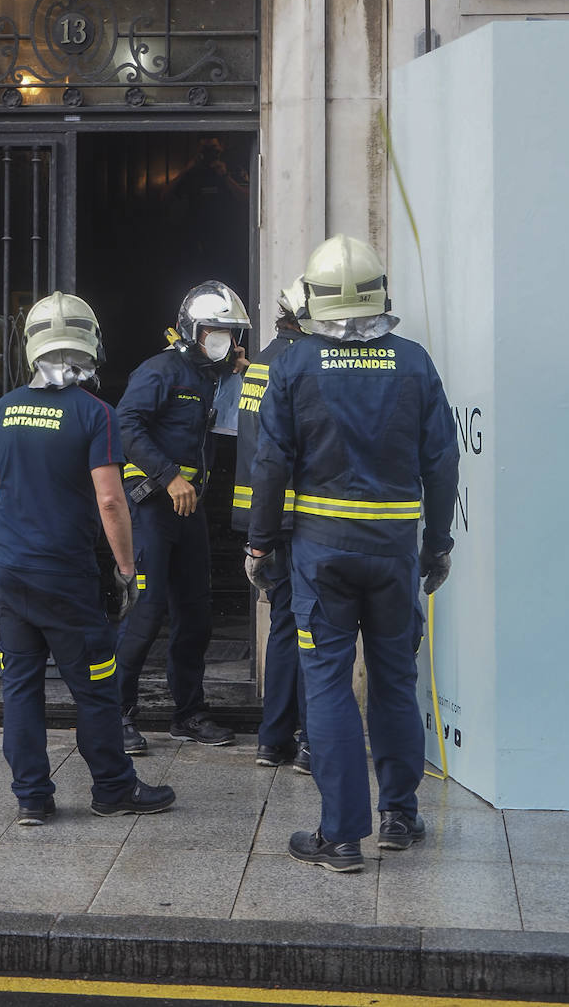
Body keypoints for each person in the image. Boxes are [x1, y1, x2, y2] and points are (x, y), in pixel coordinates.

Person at [248, 236, 458, 872]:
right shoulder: (414, 362)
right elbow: (443, 462)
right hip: (394, 550)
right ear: (380, 294)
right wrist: (438, 543)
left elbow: (270, 462)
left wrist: (259, 542)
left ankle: (340, 837)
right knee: (396, 680)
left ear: (311, 298)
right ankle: (400, 815)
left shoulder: (294, 363)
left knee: (330, 687)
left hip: (322, 552)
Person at [0, 291, 175, 823]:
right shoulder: (96, 414)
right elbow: (111, 501)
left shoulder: (5, 407)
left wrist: (26, 523)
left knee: (20, 688)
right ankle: (113, 789)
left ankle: (32, 798)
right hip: (66, 578)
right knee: (94, 687)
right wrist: (128, 569)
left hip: (11, 572)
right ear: (90, 346)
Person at [115, 280, 250, 755]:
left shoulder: (211, 376)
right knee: (146, 612)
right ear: (194, 329)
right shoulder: (159, 371)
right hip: (153, 503)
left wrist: (238, 372)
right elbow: (126, 426)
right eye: (218, 330)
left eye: (232, 334)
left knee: (196, 614)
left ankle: (188, 713)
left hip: (188, 507)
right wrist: (170, 475)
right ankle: (118, 716)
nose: (227, 341)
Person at [233, 276, 309, 773]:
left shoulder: (259, 362)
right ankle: (305, 739)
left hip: (264, 515)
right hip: (299, 516)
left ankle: (272, 738)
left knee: (283, 625)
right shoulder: (299, 364)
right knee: (311, 630)